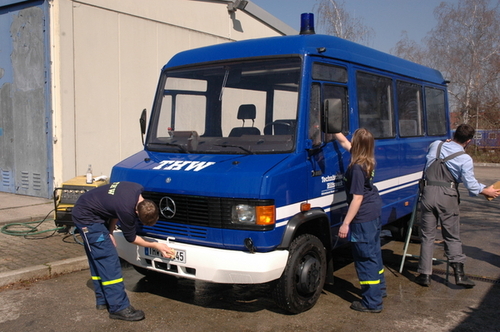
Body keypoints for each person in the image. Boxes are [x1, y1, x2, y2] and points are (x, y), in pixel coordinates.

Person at [72, 181, 175, 321]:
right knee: (108, 260)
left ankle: (103, 299)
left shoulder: (136, 188)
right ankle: (118, 307)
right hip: (86, 218)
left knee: (98, 257)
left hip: (91, 209)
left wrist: (110, 231)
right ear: (136, 212)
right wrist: (156, 245)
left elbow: (114, 207)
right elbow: (131, 238)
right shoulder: (127, 210)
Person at [415, 124, 500, 288]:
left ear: (454, 134)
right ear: (468, 141)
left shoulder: (436, 145)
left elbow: (437, 149)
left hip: (428, 192)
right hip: (448, 195)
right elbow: (471, 185)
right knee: (452, 235)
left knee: (427, 236)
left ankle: (424, 275)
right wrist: (486, 191)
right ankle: (459, 275)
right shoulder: (465, 158)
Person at [336, 129, 386, 313]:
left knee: (365, 258)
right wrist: (332, 128)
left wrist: (346, 223)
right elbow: (344, 142)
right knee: (374, 252)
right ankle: (379, 290)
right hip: (373, 211)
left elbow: (357, 198)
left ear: (357, 144)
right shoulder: (366, 160)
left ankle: (372, 302)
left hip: (363, 216)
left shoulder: (356, 168)